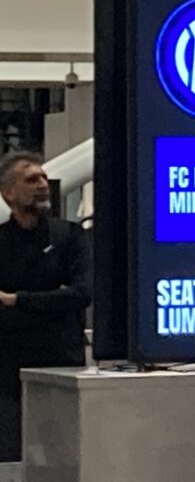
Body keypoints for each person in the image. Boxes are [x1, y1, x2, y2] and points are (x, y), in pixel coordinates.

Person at [0, 151, 92, 462]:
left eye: (43, 178)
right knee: (11, 458)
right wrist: (54, 298)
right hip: (10, 372)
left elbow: (82, 294)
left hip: (61, 367)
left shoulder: (69, 236)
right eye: (31, 179)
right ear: (9, 193)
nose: (42, 184)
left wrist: (17, 300)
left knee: (63, 458)